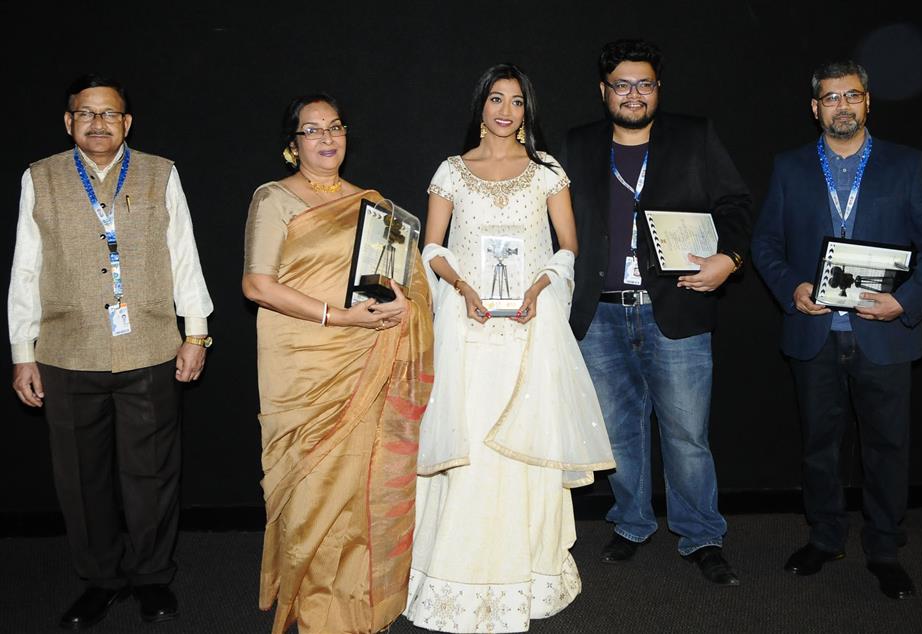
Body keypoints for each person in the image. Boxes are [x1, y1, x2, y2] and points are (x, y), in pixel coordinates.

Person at [404, 63, 614, 633]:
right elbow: (431, 248)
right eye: (496, 99)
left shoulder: (546, 172)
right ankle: (451, 577)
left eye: (516, 101)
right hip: (468, 331)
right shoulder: (452, 171)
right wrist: (463, 286)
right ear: (481, 106)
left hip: (528, 329)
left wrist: (540, 286)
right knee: (468, 445)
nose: (505, 110)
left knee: (523, 445)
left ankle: (528, 576)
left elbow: (568, 249)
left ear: (528, 110)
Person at [7, 74, 213, 628]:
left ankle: (151, 577)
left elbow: (184, 255)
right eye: (86, 113)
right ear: (69, 121)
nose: (99, 123)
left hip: (149, 348)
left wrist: (195, 333)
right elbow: (25, 270)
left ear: (127, 123)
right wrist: (21, 351)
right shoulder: (40, 178)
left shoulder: (160, 172)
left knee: (151, 475)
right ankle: (100, 580)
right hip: (66, 352)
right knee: (81, 477)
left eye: (110, 114)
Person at [751, 60, 922, 599]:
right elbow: (766, 244)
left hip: (883, 333)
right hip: (814, 332)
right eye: (830, 98)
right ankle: (825, 537)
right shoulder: (789, 167)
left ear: (868, 102)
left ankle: (885, 546)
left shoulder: (906, 165)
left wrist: (906, 302)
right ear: (814, 108)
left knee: (887, 447)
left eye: (852, 96)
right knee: (819, 445)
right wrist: (792, 287)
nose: (841, 106)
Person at [560, 39, 751, 585]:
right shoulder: (577, 145)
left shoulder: (694, 136)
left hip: (678, 306)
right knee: (619, 432)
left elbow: (736, 206)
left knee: (687, 434)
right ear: (604, 91)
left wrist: (730, 259)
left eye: (644, 84)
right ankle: (633, 523)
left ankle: (702, 534)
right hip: (599, 314)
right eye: (622, 84)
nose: (633, 94)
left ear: (658, 89)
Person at [242, 94, 434, 633]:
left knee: (358, 485)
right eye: (311, 130)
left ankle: (350, 601)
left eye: (336, 127)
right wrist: (338, 318)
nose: (327, 138)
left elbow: (403, 282)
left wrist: (404, 303)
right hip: (302, 363)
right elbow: (257, 285)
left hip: (365, 359)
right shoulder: (275, 199)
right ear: (291, 145)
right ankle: (308, 601)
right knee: (308, 489)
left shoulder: (374, 207)